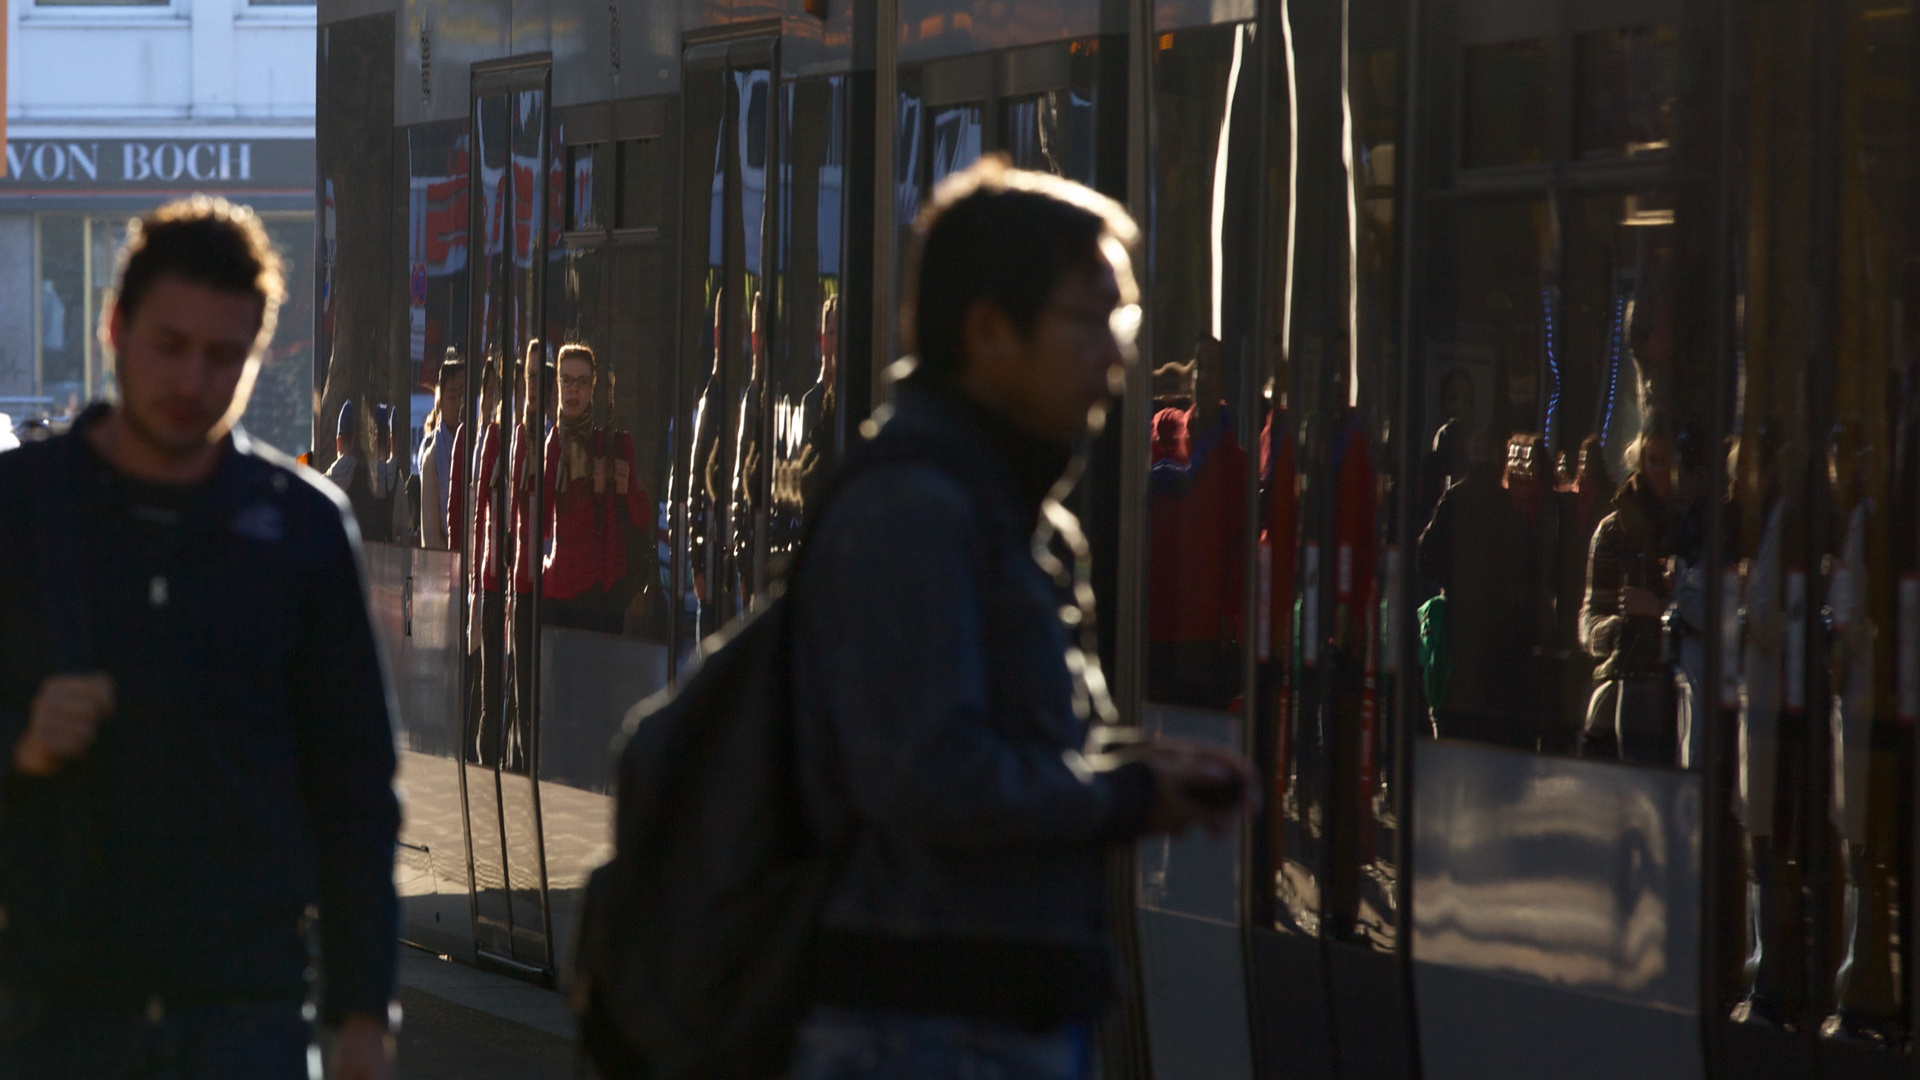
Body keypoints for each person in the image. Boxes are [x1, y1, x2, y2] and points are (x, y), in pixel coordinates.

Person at [789, 158, 1254, 1080]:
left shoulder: (1016, 516)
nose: (1119, 359)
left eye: (1119, 324)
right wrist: (1122, 796)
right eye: (1091, 321)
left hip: (993, 1020)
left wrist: (1136, 765)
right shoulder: (919, 509)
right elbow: (930, 777)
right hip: (928, 1031)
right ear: (990, 332)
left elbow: (1006, 749)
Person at [0, 197, 398, 1078]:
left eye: (227, 357)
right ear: (115, 328)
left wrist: (363, 1012)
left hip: (242, 1008)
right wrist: (18, 741)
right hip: (51, 1008)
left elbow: (356, 788)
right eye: (170, 347)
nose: (193, 383)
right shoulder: (22, 511)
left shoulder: (300, 530)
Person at [1578, 431, 1677, 763]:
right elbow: (1589, 624)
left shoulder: (1694, 526)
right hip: (1628, 677)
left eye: (1670, 462)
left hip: (1685, 679)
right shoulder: (1613, 530)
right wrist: (1621, 629)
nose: (1663, 471)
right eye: (1655, 460)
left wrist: (1659, 611)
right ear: (1641, 461)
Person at [417, 350, 467, 549]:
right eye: (452, 397)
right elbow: (430, 533)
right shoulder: (432, 455)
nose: (458, 404)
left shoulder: (477, 445)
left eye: (462, 396)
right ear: (441, 402)